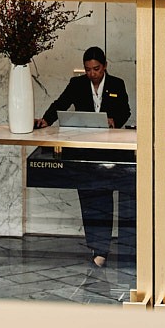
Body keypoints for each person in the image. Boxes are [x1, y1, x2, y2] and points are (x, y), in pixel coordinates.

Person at [35, 46, 134, 268]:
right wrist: (46, 120)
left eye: (96, 69)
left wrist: (114, 121)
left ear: (105, 66)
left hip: (109, 148)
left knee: (104, 197)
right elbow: (61, 103)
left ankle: (102, 248)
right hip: (84, 148)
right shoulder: (77, 84)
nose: (92, 74)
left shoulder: (117, 84)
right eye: (88, 70)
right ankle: (96, 246)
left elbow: (125, 110)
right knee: (88, 197)